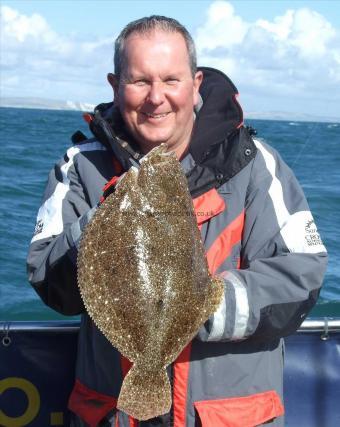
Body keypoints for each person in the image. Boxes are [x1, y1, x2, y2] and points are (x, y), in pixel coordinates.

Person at [27, 15, 327, 427]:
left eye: (171, 79)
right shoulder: (81, 167)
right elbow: (49, 281)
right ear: (115, 86)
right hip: (115, 415)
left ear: (195, 83)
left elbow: (302, 277)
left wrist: (195, 306)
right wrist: (104, 225)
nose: (156, 97)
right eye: (140, 81)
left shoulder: (256, 166)